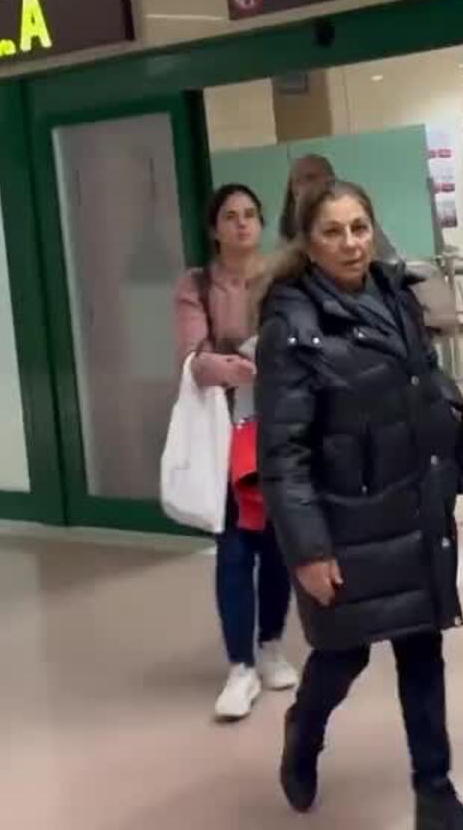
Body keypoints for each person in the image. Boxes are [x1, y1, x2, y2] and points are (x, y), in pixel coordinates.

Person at [256, 179, 463, 829]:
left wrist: (451, 456)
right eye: (332, 232)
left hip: (413, 503)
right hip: (343, 520)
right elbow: (283, 453)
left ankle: (434, 793)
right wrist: (308, 550)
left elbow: (424, 381)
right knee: (345, 654)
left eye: (359, 227)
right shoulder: (293, 327)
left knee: (422, 648)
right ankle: (304, 730)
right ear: (308, 243)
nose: (351, 243)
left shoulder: (395, 294)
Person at [173, 184, 298, 721]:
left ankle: (271, 645)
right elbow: (194, 358)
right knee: (235, 544)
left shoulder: (284, 277)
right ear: (215, 228)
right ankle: (240, 665)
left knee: (279, 543)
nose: (242, 224)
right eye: (230, 216)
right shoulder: (197, 285)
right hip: (228, 432)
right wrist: (233, 367)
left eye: (250, 215)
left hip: (282, 424)